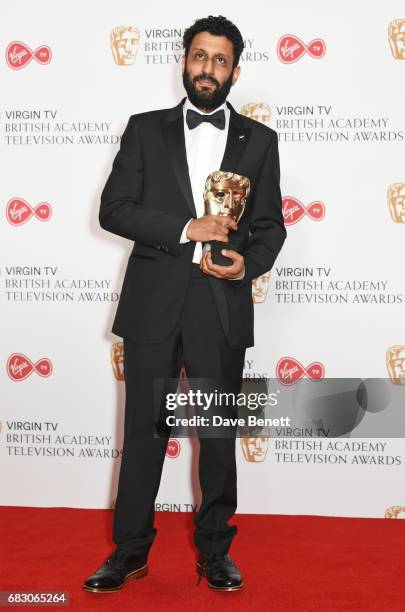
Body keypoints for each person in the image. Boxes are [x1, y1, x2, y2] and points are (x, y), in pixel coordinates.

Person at [83, 14, 286, 593]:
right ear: (183, 61)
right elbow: (114, 209)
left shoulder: (261, 141)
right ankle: (128, 552)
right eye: (200, 56)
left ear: (235, 70)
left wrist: (250, 262)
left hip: (220, 305)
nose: (208, 69)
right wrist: (186, 227)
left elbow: (270, 227)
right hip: (154, 303)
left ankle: (215, 552)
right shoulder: (145, 129)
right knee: (146, 433)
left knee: (217, 438)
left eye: (220, 60)